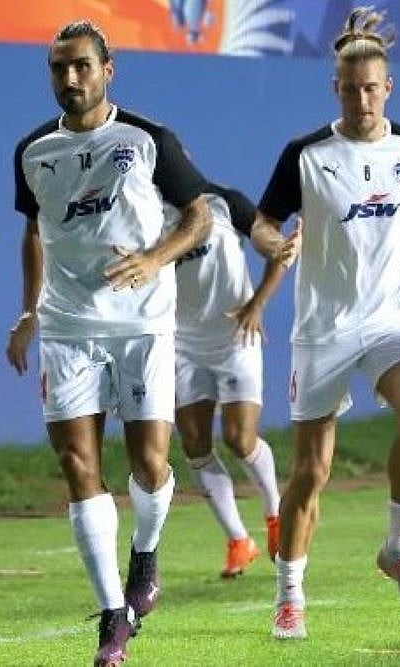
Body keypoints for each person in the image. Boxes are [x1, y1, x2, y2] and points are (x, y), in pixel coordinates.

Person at [6, 20, 212, 667]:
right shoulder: (32, 151)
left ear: (107, 69)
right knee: (77, 462)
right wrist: (28, 311)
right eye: (58, 68)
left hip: (142, 324)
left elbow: (199, 214)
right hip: (68, 325)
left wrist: (155, 258)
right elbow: (34, 232)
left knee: (150, 463)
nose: (70, 78)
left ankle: (144, 553)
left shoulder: (147, 139)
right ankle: (112, 615)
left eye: (81, 66)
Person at [250, 7, 400, 640]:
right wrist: (275, 244)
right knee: (312, 471)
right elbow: (262, 222)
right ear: (334, 88)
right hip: (323, 329)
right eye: (350, 89)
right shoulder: (306, 155)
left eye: (372, 88)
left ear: (388, 87)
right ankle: (289, 596)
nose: (362, 100)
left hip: (391, 317)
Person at [166, 183, 290, 577]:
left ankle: (275, 513)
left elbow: (278, 249)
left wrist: (258, 304)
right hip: (182, 343)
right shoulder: (145, 216)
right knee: (194, 442)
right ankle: (239, 540)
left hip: (235, 335)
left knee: (240, 439)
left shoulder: (223, 203)